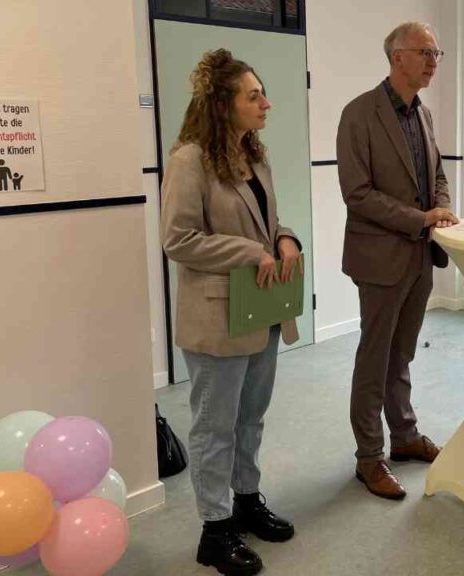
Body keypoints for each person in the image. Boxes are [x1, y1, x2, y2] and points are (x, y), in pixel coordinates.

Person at [161, 48, 301, 576]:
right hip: (216, 315)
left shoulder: (254, 155)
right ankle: (215, 530)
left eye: (263, 93)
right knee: (214, 425)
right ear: (223, 104)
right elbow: (178, 239)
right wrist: (248, 251)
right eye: (254, 96)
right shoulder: (189, 160)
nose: (267, 103)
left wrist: (285, 238)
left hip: (261, 305)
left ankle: (245, 500)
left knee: (250, 417)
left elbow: (269, 221)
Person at [336, 21, 459, 500]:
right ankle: (369, 457)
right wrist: (420, 218)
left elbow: (438, 175)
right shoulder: (358, 114)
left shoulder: (422, 113)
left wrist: (440, 211)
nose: (433, 61)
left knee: (402, 353)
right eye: (425, 52)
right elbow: (357, 193)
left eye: (436, 53)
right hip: (379, 257)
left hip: (420, 254)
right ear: (397, 57)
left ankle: (404, 436)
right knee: (375, 357)